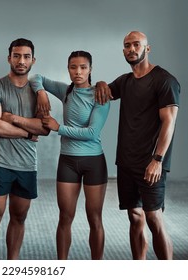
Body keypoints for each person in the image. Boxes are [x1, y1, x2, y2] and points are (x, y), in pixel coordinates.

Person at [96, 31, 179, 260]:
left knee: (153, 218)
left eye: (136, 44)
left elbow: (169, 122)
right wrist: (102, 82)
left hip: (151, 163)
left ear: (147, 48)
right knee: (135, 216)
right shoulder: (125, 81)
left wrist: (157, 160)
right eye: (127, 45)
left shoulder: (164, 80)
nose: (131, 49)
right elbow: (104, 93)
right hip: (126, 162)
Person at [29, 51, 110, 259]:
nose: (78, 72)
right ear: (68, 69)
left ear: (90, 69)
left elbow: (92, 132)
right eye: (73, 67)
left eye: (83, 67)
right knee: (65, 216)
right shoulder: (66, 91)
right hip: (67, 161)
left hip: (93, 162)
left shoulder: (100, 95)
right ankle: (61, 266)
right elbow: (35, 78)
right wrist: (41, 92)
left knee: (94, 218)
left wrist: (59, 128)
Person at [0, 38, 49, 260]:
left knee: (19, 217)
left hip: (27, 164)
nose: (21, 61)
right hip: (0, 161)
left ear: (33, 60)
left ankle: (12, 265)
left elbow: (45, 128)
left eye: (26, 56)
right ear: (9, 58)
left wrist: (14, 119)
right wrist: (29, 132)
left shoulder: (38, 92)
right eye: (17, 56)